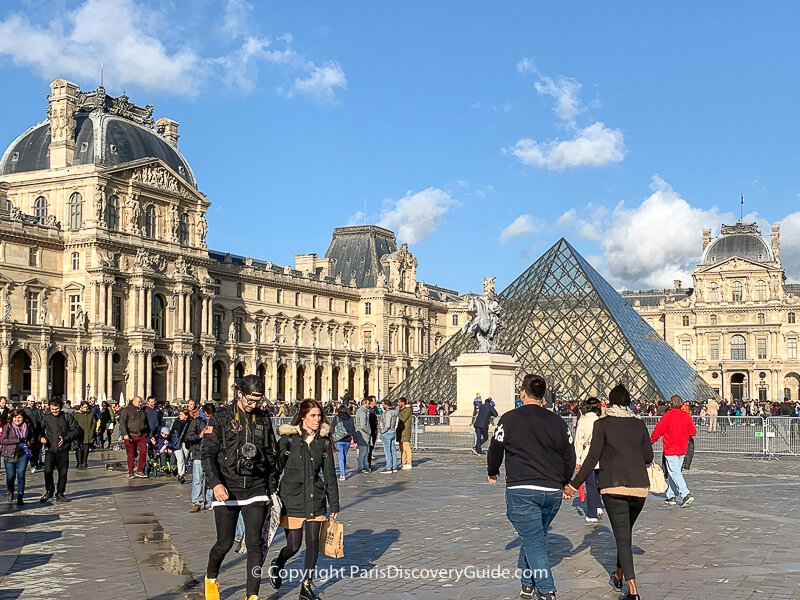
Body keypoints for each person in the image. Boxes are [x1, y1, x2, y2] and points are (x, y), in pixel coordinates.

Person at [487, 374, 575, 600]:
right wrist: (566, 481)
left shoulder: (509, 418)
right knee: (534, 537)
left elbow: (495, 448)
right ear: (544, 394)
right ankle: (527, 585)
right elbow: (569, 455)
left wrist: (493, 470)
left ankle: (547, 590)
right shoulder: (558, 422)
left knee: (534, 541)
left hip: (522, 489)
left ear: (523, 393)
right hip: (552, 491)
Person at [565, 384, 653, 600]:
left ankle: (633, 591)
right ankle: (618, 575)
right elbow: (649, 457)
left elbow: (592, 458)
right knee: (625, 535)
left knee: (623, 538)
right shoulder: (639, 424)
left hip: (613, 488)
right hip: (640, 489)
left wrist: (573, 485)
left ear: (611, 402)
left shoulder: (603, 425)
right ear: (629, 401)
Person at [202, 375, 280, 600]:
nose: (254, 404)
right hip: (226, 486)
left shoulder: (263, 418)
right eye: (251, 400)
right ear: (239, 393)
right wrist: (215, 483)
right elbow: (208, 454)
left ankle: (252, 595)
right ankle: (211, 578)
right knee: (224, 543)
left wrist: (271, 486)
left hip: (255, 487)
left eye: (258, 400)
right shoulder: (220, 417)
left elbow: (270, 453)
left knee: (255, 542)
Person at [270, 399, 340, 600]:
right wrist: (271, 491)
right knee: (293, 545)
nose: (317, 419)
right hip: (292, 498)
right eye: (313, 416)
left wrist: (333, 503)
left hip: (315, 498)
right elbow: (276, 468)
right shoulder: (288, 439)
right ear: (302, 417)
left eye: (319, 415)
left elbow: (329, 475)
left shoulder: (324, 442)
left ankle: (306, 586)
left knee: (312, 543)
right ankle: (279, 563)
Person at [650, 394, 697, 508]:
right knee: (673, 472)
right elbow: (693, 432)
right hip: (682, 448)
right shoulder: (686, 416)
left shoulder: (668, 416)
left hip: (670, 448)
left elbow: (658, 431)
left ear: (670, 404)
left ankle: (685, 494)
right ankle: (671, 496)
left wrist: (650, 441)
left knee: (675, 472)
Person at [39, 398, 80, 503]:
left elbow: (76, 431)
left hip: (63, 449)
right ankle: (49, 490)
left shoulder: (67, 417)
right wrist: (41, 438)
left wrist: (65, 438)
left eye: (56, 409)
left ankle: (60, 493)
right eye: (52, 409)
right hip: (50, 449)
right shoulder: (46, 418)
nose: (54, 411)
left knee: (63, 473)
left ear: (60, 407)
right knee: (47, 471)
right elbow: (38, 431)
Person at [574, 397, 604, 523]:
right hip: (602, 455)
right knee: (598, 483)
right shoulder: (601, 420)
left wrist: (578, 459)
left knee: (590, 484)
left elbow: (579, 441)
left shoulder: (583, 420)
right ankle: (598, 506)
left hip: (588, 454)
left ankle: (591, 513)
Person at [185, 403, 216, 512]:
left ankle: (209, 501)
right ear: (204, 413)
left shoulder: (216, 421)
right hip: (199, 453)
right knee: (198, 479)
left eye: (211, 416)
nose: (209, 418)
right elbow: (188, 437)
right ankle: (196, 502)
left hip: (212, 453)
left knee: (210, 479)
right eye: (208, 416)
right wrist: (200, 435)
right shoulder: (197, 421)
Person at [1, 409, 34, 506]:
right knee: (10, 477)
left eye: (19, 417)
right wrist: (17, 440)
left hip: (22, 454)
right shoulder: (7, 427)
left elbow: (32, 438)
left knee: (21, 475)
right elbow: (3, 440)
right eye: (15, 417)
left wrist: (28, 443)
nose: (17, 419)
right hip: (10, 455)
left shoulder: (27, 427)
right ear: (11, 418)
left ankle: (20, 496)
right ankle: (10, 490)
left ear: (23, 418)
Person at [119, 395, 150, 478]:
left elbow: (146, 424)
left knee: (143, 452)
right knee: (131, 454)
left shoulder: (142, 411)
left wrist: (150, 435)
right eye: (139, 402)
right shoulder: (127, 410)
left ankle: (139, 470)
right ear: (134, 401)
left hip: (141, 435)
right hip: (130, 435)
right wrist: (125, 434)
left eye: (141, 402)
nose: (140, 403)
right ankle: (131, 472)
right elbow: (122, 422)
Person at [330, 404, 356, 481]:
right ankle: (342, 472)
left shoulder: (336, 418)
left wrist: (331, 437)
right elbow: (353, 429)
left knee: (341, 457)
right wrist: (354, 439)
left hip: (338, 440)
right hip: (347, 440)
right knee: (343, 456)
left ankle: (342, 474)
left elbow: (332, 428)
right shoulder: (350, 418)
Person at [169, 409, 192, 483]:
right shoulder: (176, 422)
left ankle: (178, 469)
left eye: (181, 414)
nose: (179, 416)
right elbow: (172, 431)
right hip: (177, 443)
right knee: (180, 459)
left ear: (186, 415)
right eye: (179, 414)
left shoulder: (190, 422)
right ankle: (181, 475)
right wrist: (168, 441)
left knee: (185, 459)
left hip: (186, 443)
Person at [74, 401, 97, 470]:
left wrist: (92, 430)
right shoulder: (77, 415)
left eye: (86, 407)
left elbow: (94, 422)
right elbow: (74, 424)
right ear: (81, 407)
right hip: (79, 435)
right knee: (78, 449)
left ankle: (84, 461)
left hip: (88, 434)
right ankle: (79, 462)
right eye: (84, 407)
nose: (85, 408)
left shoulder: (90, 414)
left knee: (86, 449)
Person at [22, 395, 43, 471]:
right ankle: (32, 463)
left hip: (36, 431)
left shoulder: (37, 411)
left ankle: (34, 464)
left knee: (36, 449)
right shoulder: (24, 410)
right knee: (29, 448)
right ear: (28, 401)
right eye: (31, 401)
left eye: (33, 402)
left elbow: (40, 421)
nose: (32, 403)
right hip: (28, 432)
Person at [379, 399, 399, 474]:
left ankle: (388, 467)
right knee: (393, 450)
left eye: (383, 404)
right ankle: (394, 466)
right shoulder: (394, 412)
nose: (382, 406)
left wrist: (382, 432)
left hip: (387, 433)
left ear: (386, 405)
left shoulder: (388, 413)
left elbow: (387, 425)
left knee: (387, 451)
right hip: (393, 431)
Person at [354, 398, 372, 473]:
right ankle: (361, 467)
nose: (369, 405)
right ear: (364, 404)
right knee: (363, 452)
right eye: (368, 403)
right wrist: (369, 431)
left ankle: (365, 466)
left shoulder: (362, 411)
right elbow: (363, 425)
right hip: (363, 434)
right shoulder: (362, 413)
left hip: (363, 434)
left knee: (366, 451)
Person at [396, 397, 413, 469]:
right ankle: (403, 462)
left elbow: (403, 418)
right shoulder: (402, 409)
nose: (398, 404)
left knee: (406, 447)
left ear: (403, 403)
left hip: (405, 430)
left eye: (399, 402)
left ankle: (409, 463)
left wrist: (398, 412)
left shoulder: (408, 410)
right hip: (400, 430)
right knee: (402, 448)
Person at [367, 395, 379, 470]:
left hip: (374, 431)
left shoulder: (374, 409)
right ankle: (367, 464)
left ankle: (369, 464)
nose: (376, 402)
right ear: (371, 402)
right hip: (370, 431)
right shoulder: (369, 410)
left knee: (371, 449)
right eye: (375, 401)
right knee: (369, 448)